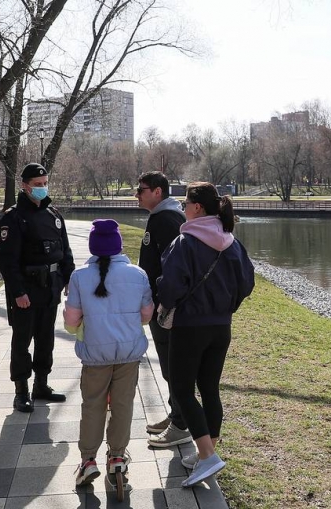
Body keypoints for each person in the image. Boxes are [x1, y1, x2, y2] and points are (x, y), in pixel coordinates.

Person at [157, 182, 255, 487]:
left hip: (190, 326)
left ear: (197, 207)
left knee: (183, 391)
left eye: (185, 202)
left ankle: (207, 455)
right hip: (220, 327)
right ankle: (207, 451)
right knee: (209, 388)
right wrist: (227, 307)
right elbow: (247, 283)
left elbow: (170, 285)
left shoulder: (185, 242)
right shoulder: (232, 243)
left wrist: (165, 305)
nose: (182, 207)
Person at [63, 219, 154, 487]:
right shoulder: (138, 274)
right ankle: (117, 457)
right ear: (119, 246)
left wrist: (76, 325)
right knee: (123, 406)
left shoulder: (79, 277)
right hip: (129, 353)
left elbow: (71, 322)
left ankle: (88, 460)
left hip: (94, 355)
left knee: (93, 405)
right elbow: (147, 315)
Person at [0, 162, 74, 413]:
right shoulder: (14, 218)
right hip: (27, 290)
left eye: (44, 183)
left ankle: (42, 384)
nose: (42, 188)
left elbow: (65, 250)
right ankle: (21, 391)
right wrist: (18, 292)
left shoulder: (53, 215)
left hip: (50, 287)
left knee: (46, 338)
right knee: (22, 341)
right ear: (25, 186)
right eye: (37, 185)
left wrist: (69, 278)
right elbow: (8, 262)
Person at [134, 171, 192, 448]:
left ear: (158, 192)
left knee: (173, 365)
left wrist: (164, 302)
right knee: (170, 366)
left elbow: (174, 267)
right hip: (161, 304)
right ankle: (177, 414)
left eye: (141, 189)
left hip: (167, 307)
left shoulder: (167, 219)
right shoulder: (162, 216)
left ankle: (182, 424)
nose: (137, 194)